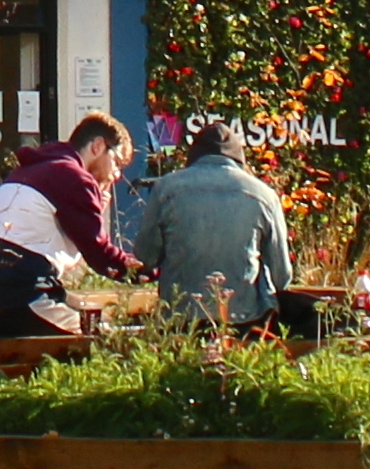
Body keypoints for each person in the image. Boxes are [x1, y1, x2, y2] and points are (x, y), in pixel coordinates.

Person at [0, 112, 137, 339]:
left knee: (89, 313)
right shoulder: (75, 178)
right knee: (103, 337)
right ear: (98, 146)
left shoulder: (27, 171)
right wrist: (147, 270)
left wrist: (93, 209)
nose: (117, 174)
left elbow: (57, 245)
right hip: (14, 299)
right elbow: (101, 256)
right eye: (117, 162)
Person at [128, 116, 311, 340]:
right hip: (244, 321)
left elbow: (145, 256)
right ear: (239, 158)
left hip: (181, 319)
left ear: (194, 157)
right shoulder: (265, 196)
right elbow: (282, 276)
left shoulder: (166, 189)